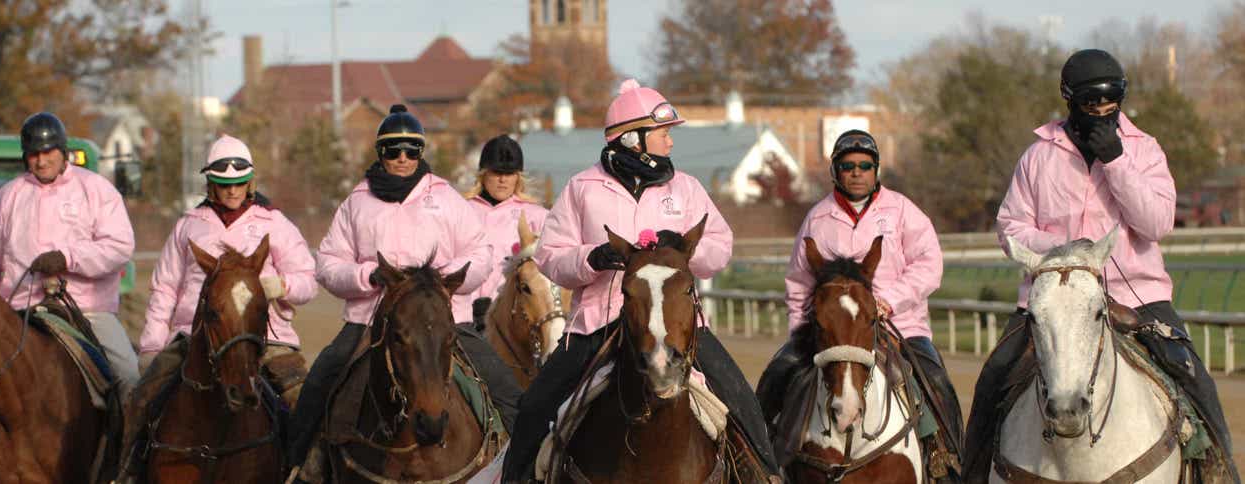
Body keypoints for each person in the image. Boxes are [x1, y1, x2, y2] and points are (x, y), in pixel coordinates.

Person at [963, 49, 1237, 481]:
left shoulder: (1144, 150)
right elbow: (1010, 227)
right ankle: (970, 474)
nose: (1104, 113)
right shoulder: (1038, 156)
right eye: (1093, 105)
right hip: (1051, 299)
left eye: (1113, 103)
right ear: (1069, 99)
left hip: (1139, 297)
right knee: (993, 376)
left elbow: (1157, 223)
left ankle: (1222, 473)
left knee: (1196, 377)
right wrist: (1067, 250)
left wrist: (1117, 161)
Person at [501, 79, 779, 482]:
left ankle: (769, 475)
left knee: (742, 400)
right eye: (663, 133)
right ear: (632, 138)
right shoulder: (581, 188)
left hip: (680, 326)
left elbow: (721, 244)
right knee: (533, 408)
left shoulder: (686, 188)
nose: (670, 142)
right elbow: (548, 254)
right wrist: (592, 258)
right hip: (597, 325)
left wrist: (681, 254)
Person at [289, 104, 522, 474]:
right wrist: (367, 276)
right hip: (369, 321)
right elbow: (328, 263)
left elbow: (481, 252)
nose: (402, 158)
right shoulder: (357, 202)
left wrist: (443, 285)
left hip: (446, 319)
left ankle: (519, 467)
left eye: (411, 150)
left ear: (420, 153)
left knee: (507, 389)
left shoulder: (446, 199)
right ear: (380, 153)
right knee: (320, 379)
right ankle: (300, 466)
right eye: (393, 150)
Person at [754, 129, 963, 478]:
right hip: (830, 333)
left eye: (865, 165)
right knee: (777, 374)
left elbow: (930, 264)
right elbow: (798, 283)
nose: (857, 172)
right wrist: (802, 333)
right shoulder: (816, 219)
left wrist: (889, 301)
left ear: (876, 169)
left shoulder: (903, 211)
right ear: (836, 170)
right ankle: (764, 462)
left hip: (901, 326)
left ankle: (948, 459)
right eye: (848, 165)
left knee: (936, 380)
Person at [0, 112, 139, 397]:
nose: (41, 161)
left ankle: (129, 441)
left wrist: (68, 258)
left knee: (129, 374)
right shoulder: (7, 197)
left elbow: (120, 246)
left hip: (86, 310)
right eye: (33, 154)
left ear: (63, 151)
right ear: (25, 157)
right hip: (18, 311)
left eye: (48, 152)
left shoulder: (95, 189)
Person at [135, 134, 317, 404]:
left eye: (240, 183)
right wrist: (152, 346)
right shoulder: (188, 225)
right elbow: (165, 288)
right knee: (140, 400)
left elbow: (308, 281)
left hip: (267, 339)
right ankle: (128, 447)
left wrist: (280, 286)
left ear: (250, 182)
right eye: (224, 185)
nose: (233, 191)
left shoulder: (275, 223)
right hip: (192, 337)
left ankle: (311, 448)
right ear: (211, 184)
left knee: (303, 405)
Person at [464, 134, 549, 325]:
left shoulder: (537, 217)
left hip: (514, 318)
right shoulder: (462, 210)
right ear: (483, 174)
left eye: (509, 173)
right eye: (496, 172)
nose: (502, 180)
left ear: (518, 177)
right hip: (464, 314)